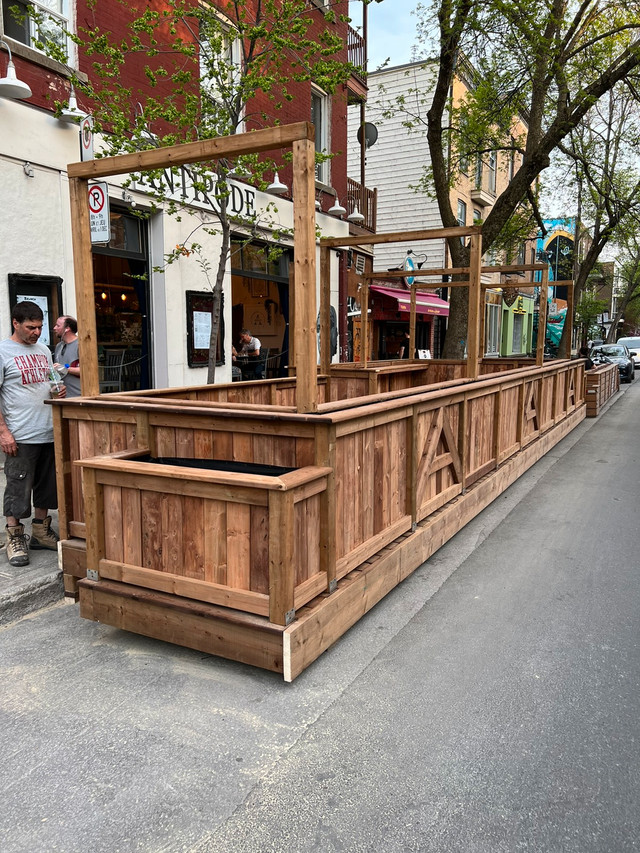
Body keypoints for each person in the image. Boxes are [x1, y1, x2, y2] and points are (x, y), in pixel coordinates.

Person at [0, 301, 66, 567]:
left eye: (40, 327)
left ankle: (40, 530)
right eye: (31, 327)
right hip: (20, 433)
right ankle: (15, 536)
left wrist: (57, 391)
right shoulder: (3, 351)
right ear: (16, 323)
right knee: (18, 486)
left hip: (48, 430)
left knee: (47, 485)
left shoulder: (43, 350)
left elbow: (50, 382)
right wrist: (4, 432)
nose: (37, 332)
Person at [53, 315, 81, 397]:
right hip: (62, 396)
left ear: (67, 328)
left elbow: (87, 371)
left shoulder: (81, 345)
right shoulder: (59, 346)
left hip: (78, 396)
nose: (54, 328)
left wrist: (65, 368)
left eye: (58, 325)